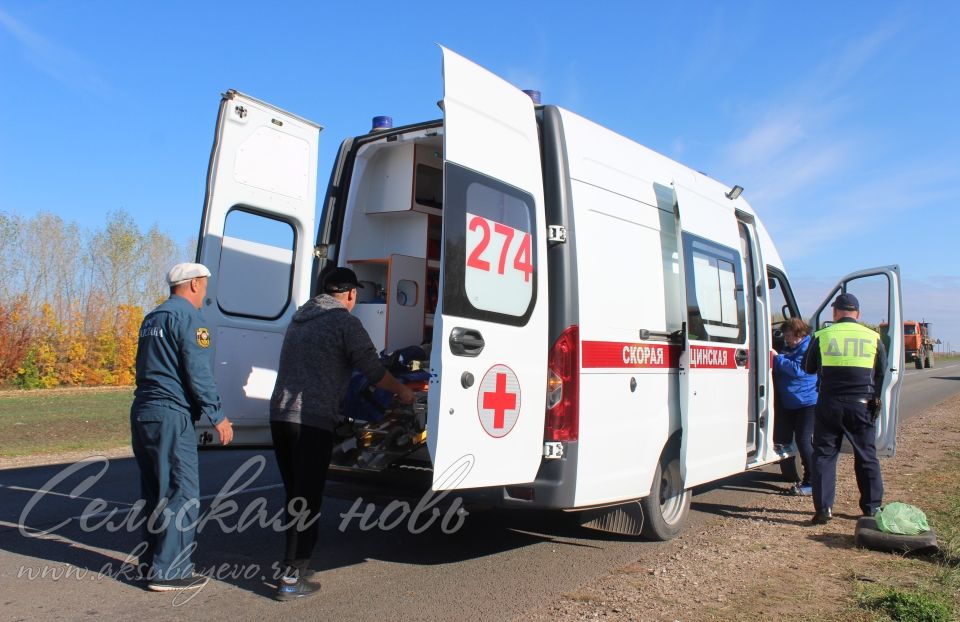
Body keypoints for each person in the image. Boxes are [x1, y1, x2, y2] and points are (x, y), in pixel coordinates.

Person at [269, 267, 415, 602]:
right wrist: (403, 393)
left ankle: (300, 567)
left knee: (296, 496)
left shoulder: (298, 320)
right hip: (311, 419)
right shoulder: (345, 323)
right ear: (350, 294)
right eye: (355, 295)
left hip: (280, 417)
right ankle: (291, 578)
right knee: (307, 498)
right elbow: (374, 372)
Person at [130, 262, 233, 591]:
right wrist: (217, 415)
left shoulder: (152, 318)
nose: (205, 292)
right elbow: (198, 371)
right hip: (171, 413)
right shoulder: (190, 319)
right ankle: (171, 571)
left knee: (155, 492)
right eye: (203, 286)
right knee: (180, 492)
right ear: (192, 285)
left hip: (143, 412)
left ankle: (151, 563)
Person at [803, 293, 887, 525]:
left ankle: (823, 509)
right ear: (858, 314)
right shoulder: (872, 337)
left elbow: (808, 367)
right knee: (866, 455)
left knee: (824, 456)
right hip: (861, 405)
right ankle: (872, 508)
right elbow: (881, 371)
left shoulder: (822, 335)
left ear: (835, 313)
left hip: (829, 403)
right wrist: (875, 398)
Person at [772, 317, 818, 496]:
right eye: (785, 336)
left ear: (799, 333)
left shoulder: (807, 347)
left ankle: (812, 481)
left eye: (790, 336)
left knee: (804, 440)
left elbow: (800, 370)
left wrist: (778, 359)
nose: (787, 339)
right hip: (791, 402)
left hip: (807, 402)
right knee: (788, 440)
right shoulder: (790, 348)